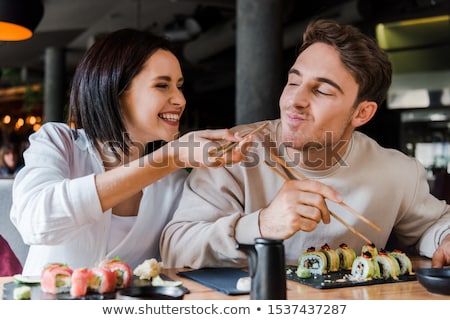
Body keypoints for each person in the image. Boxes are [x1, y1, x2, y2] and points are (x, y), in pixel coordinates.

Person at [160, 19, 450, 269]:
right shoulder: (233, 152)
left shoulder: (396, 172)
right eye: (293, 82)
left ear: (362, 113)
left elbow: (432, 227)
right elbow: (176, 247)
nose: (294, 101)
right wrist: (261, 224)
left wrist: (444, 238)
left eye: (321, 90)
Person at [10, 28, 250, 276]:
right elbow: (35, 222)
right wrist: (172, 157)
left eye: (179, 86)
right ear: (115, 91)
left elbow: (193, 249)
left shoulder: (174, 183)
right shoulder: (61, 142)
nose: (180, 99)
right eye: (162, 85)